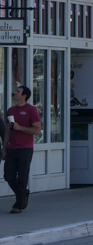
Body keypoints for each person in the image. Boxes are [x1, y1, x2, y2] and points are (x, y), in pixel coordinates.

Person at [4, 86, 41, 214]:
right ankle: (23, 193)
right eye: (15, 91)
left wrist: (21, 128)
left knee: (22, 176)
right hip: (12, 148)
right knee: (8, 176)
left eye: (18, 92)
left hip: (25, 148)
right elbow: (7, 131)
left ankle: (18, 205)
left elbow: (37, 130)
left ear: (24, 95)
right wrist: (4, 149)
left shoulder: (31, 110)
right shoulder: (11, 110)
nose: (15, 93)